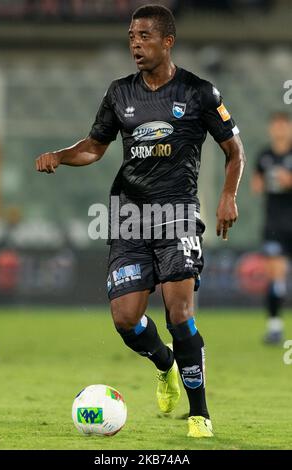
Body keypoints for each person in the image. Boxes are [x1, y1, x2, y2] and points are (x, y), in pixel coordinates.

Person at [36, 4, 245, 437]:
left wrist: (228, 195)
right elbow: (95, 147)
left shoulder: (199, 92)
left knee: (179, 312)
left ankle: (199, 414)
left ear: (167, 41)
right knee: (126, 319)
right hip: (130, 216)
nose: (135, 43)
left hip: (178, 214)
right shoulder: (119, 93)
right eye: (131, 36)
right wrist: (60, 155)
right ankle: (164, 363)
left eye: (145, 36)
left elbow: (234, 151)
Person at [252, 112, 292, 344]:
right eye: (275, 126)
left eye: (283, 126)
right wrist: (265, 181)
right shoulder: (264, 156)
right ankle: (275, 327)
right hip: (274, 224)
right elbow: (256, 185)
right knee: (275, 277)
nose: (278, 130)